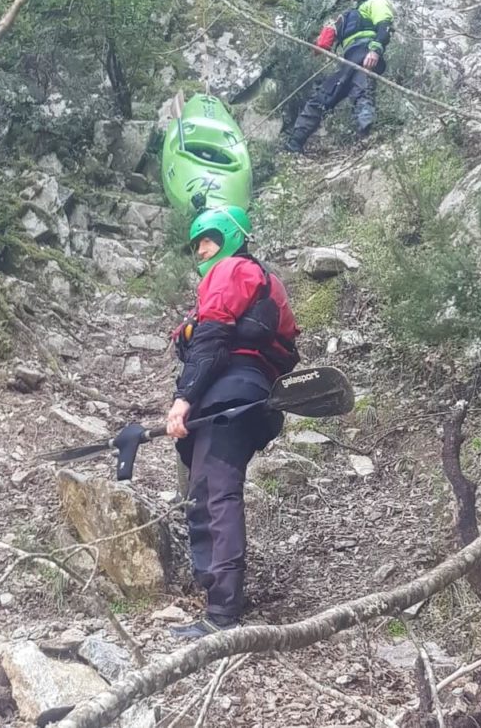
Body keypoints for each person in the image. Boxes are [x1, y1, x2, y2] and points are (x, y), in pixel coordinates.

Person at [164, 205, 300, 638]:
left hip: (230, 394)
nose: (201, 249)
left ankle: (222, 611)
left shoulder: (231, 271)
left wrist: (184, 399)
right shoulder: (262, 281)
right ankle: (218, 596)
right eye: (196, 243)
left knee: (214, 496)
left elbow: (211, 340)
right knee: (207, 492)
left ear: (230, 236)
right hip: (251, 397)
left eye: (208, 239)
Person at [284, 0, 395, 154]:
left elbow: (384, 27)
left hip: (365, 54)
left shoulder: (376, 3)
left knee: (362, 94)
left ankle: (368, 138)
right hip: (348, 60)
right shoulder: (344, 17)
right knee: (322, 97)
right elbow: (329, 36)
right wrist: (323, 41)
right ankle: (294, 143)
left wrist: (375, 51)